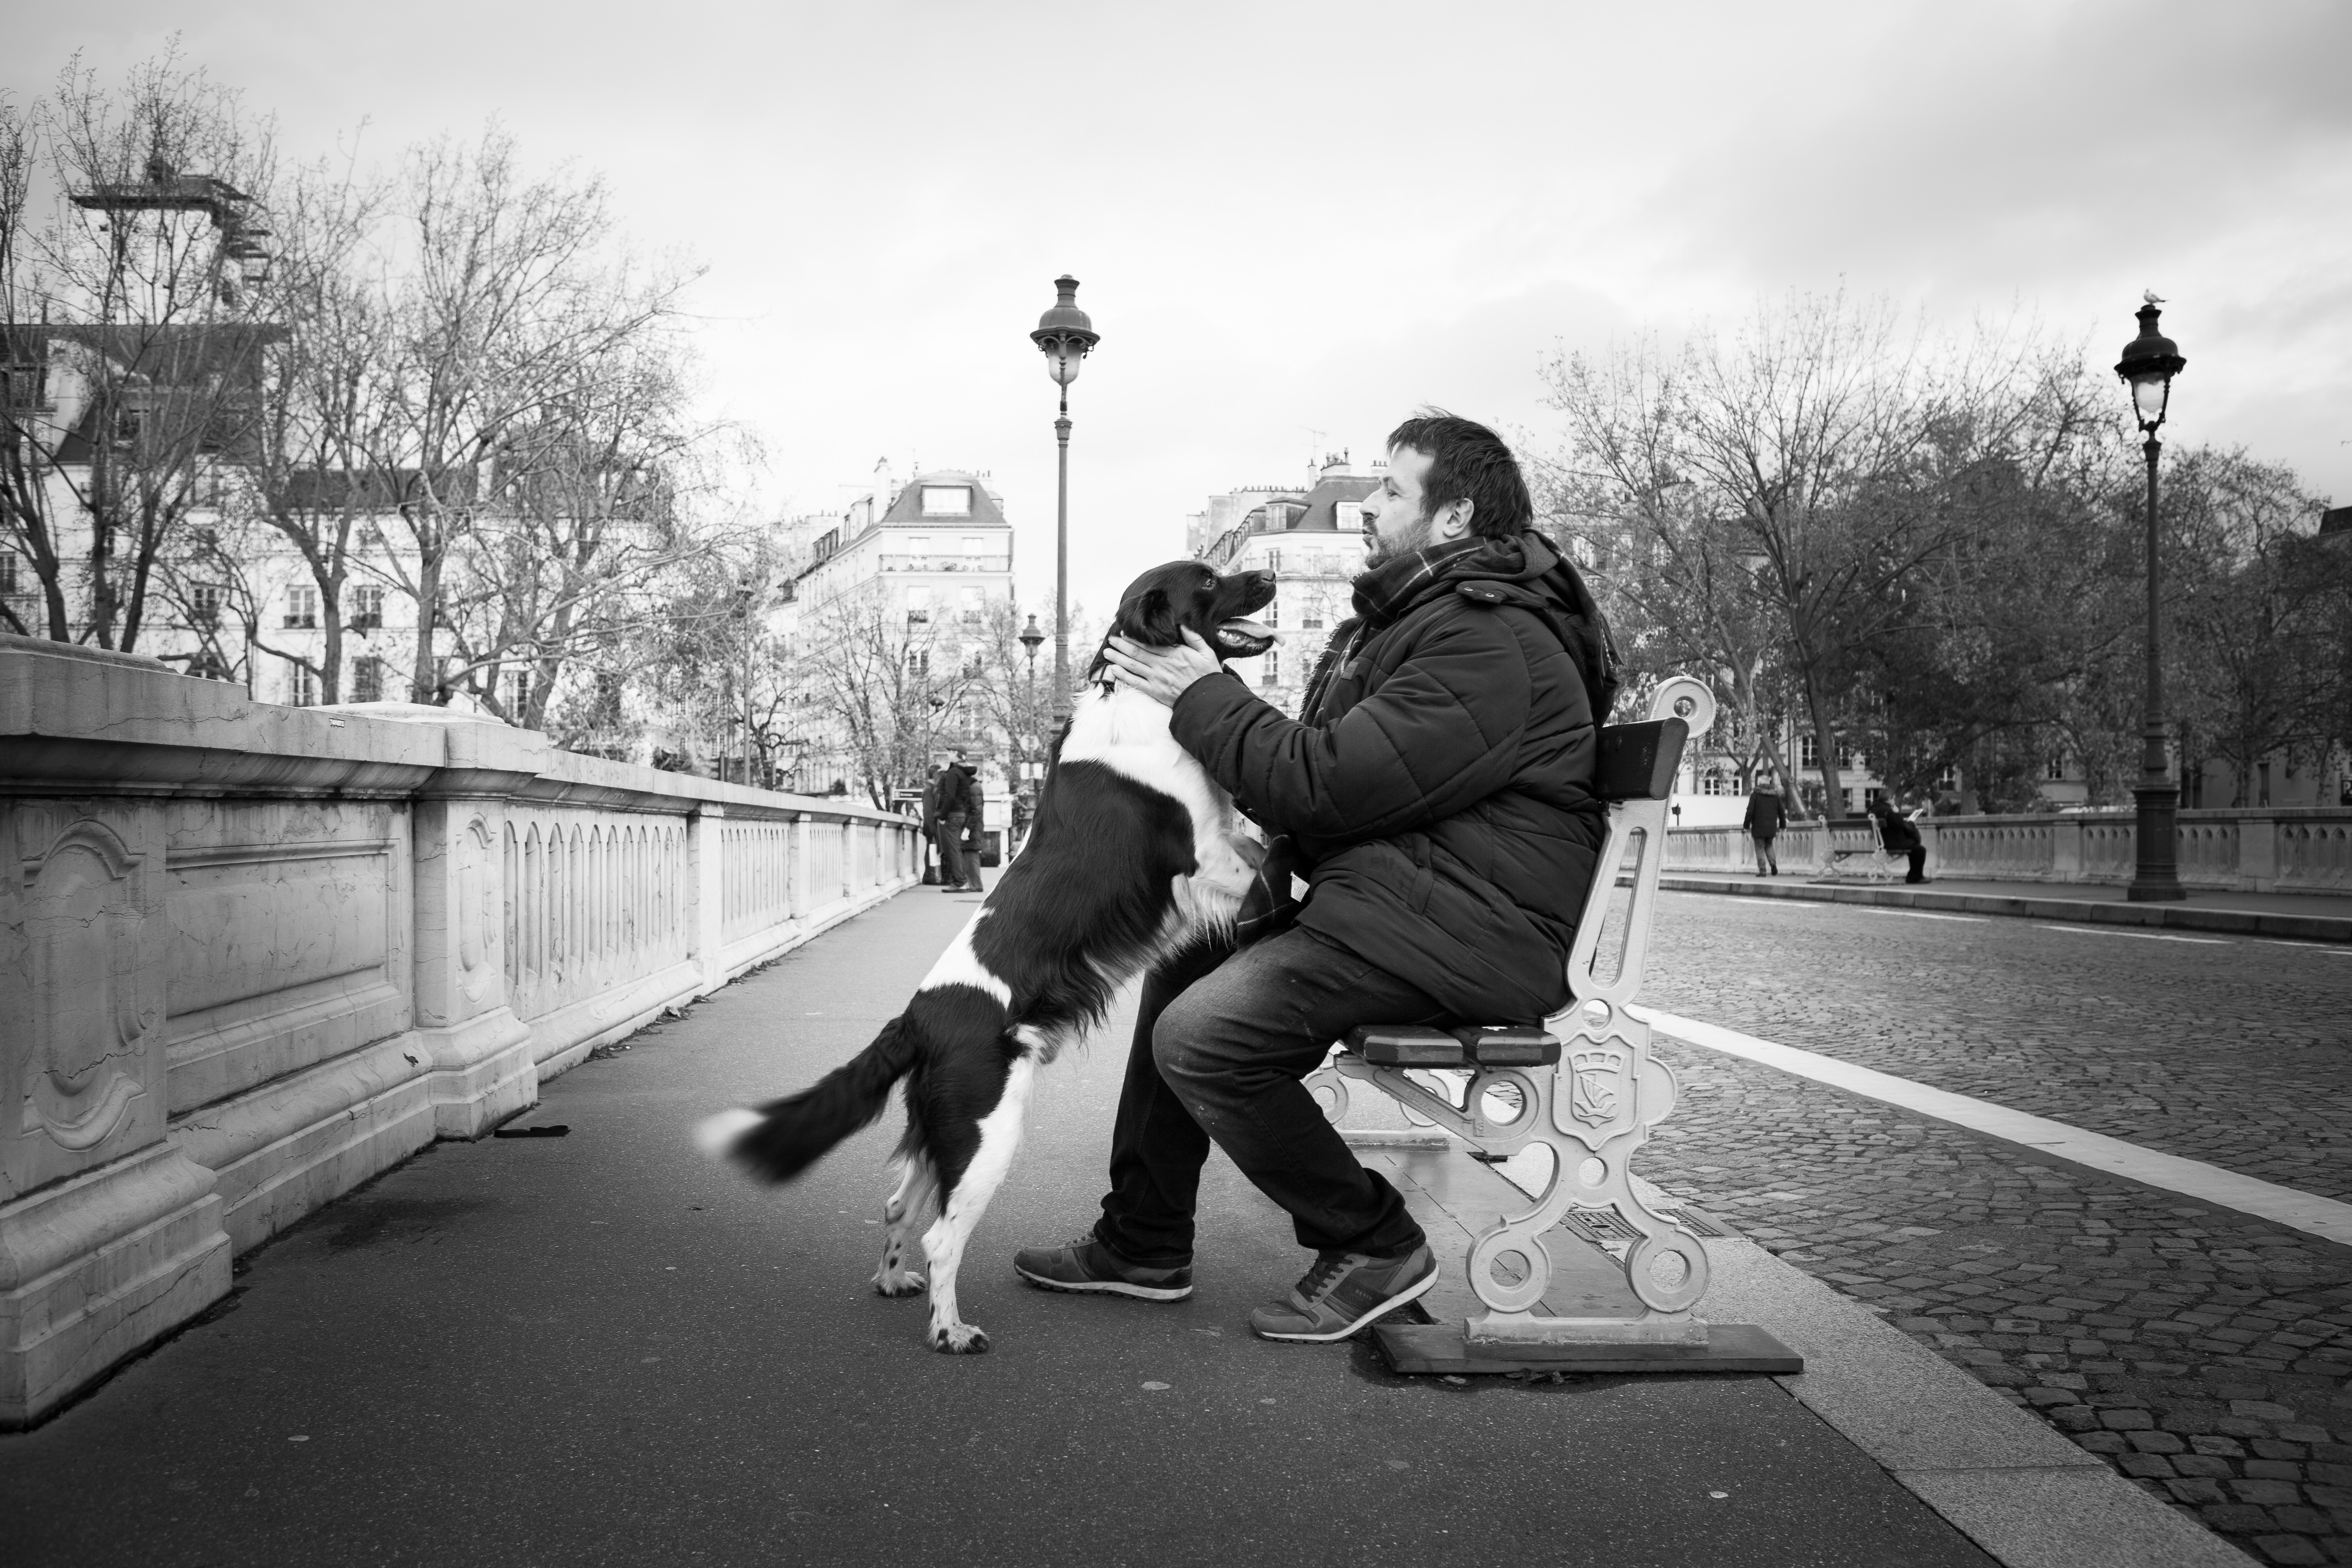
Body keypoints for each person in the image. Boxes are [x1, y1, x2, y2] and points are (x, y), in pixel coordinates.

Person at [1014, 412, 1618, 1343]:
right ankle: (1144, 1238)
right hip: (1413, 906)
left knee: (1204, 1037)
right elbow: (1322, 788)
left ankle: (1374, 1240)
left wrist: (1200, 693)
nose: (1369, 506)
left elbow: (1324, 783)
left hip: (1466, 932)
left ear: (1454, 516)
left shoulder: (1487, 639)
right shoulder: (1428, 622)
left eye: (1391, 489)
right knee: (1189, 952)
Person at [1869, 796, 1926, 883]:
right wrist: (1896, 813)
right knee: (1920, 850)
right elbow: (1898, 825)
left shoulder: (1874, 810)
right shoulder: (1888, 811)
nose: (1894, 801)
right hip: (1893, 843)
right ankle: (1914, 878)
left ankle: (1914, 877)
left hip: (1884, 842)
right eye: (1893, 799)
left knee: (1916, 849)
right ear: (1889, 799)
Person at [1742, 783, 1785, 876]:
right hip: (1771, 827)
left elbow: (1750, 811)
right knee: (1769, 845)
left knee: (1760, 848)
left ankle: (1763, 871)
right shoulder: (1775, 796)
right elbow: (1782, 812)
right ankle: (1773, 864)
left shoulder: (1755, 795)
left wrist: (1746, 825)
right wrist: (1783, 825)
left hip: (1758, 827)